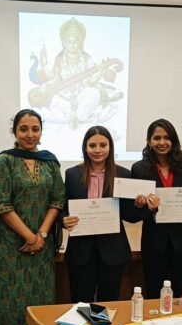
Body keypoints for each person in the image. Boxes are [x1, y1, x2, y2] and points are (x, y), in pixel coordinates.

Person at [0, 109, 65, 325]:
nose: (30, 134)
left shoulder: (50, 162)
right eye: (24, 129)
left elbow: (57, 200)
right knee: (8, 307)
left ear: (41, 131)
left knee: (38, 304)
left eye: (35, 129)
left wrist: (41, 235)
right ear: (14, 132)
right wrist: (29, 236)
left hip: (41, 249)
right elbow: (1, 204)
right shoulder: (4, 161)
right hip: (10, 249)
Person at [61, 126, 143, 303]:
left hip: (113, 251)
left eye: (103, 145)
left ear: (110, 147)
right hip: (81, 251)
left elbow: (131, 215)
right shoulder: (72, 174)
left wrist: (140, 205)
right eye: (92, 145)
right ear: (85, 148)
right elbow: (63, 206)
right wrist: (64, 219)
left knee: (108, 304)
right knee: (81, 304)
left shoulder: (123, 174)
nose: (97, 150)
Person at [131, 118, 182, 298]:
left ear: (173, 140)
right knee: (154, 290)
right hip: (154, 241)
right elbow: (135, 212)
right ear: (149, 141)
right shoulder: (139, 169)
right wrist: (145, 207)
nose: (162, 142)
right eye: (156, 138)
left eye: (167, 138)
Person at [28, 17, 123, 129]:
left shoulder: (87, 59)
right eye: (69, 42)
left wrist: (100, 73)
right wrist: (44, 67)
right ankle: (76, 115)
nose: (72, 45)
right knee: (53, 100)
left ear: (79, 43)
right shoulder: (59, 60)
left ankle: (78, 117)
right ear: (64, 43)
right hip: (64, 94)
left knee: (94, 93)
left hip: (82, 92)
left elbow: (91, 81)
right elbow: (55, 78)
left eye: (75, 42)